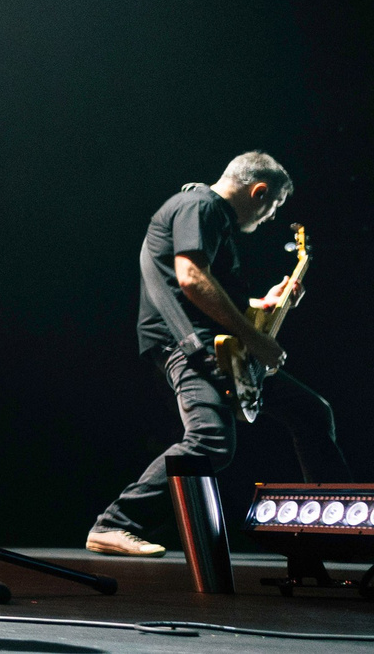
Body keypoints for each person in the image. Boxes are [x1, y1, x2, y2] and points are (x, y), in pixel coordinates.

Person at [86, 152, 348, 555]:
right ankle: (114, 523)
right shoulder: (200, 205)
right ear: (259, 192)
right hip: (188, 344)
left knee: (312, 411)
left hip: (216, 343)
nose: (270, 217)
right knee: (210, 439)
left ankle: (340, 524)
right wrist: (256, 338)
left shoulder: (213, 218)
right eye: (274, 206)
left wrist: (265, 303)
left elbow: (210, 293)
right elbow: (190, 278)